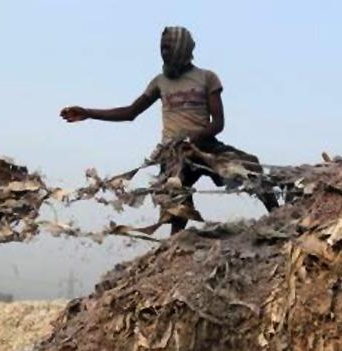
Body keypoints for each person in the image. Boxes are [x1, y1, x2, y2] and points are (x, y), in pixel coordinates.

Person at [61, 26, 277, 234]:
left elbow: (218, 123)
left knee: (251, 167)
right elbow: (130, 112)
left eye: (167, 48)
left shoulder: (207, 77)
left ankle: (279, 217)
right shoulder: (160, 82)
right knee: (176, 205)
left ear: (181, 48)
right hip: (173, 152)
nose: (163, 53)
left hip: (204, 145)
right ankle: (174, 247)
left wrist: (196, 137)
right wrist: (88, 113)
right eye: (161, 47)